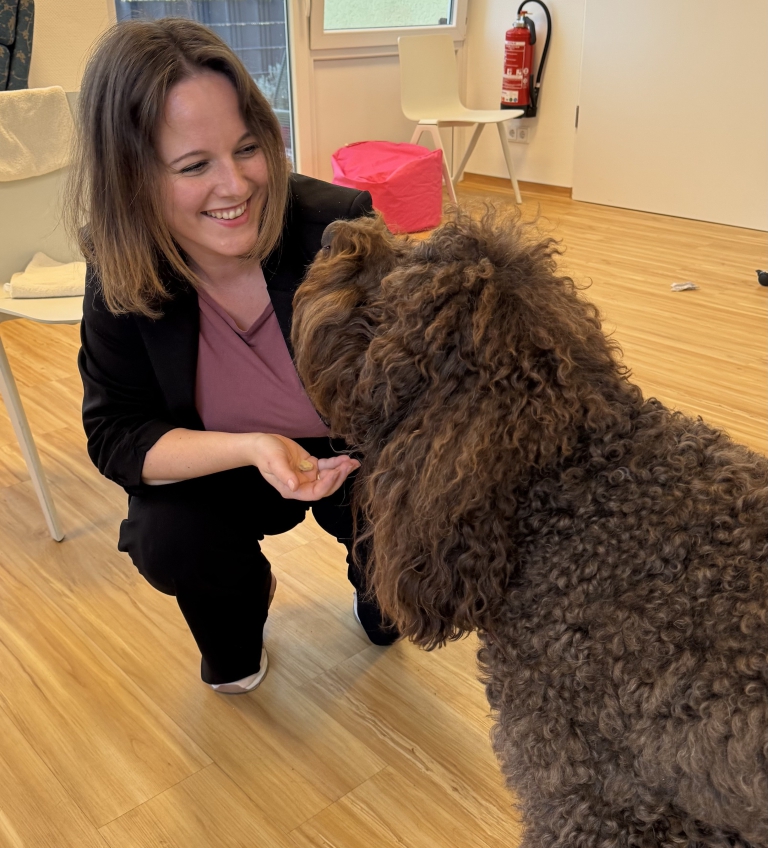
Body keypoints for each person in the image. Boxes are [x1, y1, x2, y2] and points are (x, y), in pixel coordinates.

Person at [70, 17, 398, 695]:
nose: (238, 185)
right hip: (230, 465)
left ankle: (379, 577)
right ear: (133, 180)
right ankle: (242, 597)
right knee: (174, 547)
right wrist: (254, 447)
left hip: (359, 453)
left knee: (397, 619)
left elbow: (421, 376)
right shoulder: (120, 267)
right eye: (194, 166)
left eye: (248, 148)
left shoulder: (338, 229)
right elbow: (116, 435)